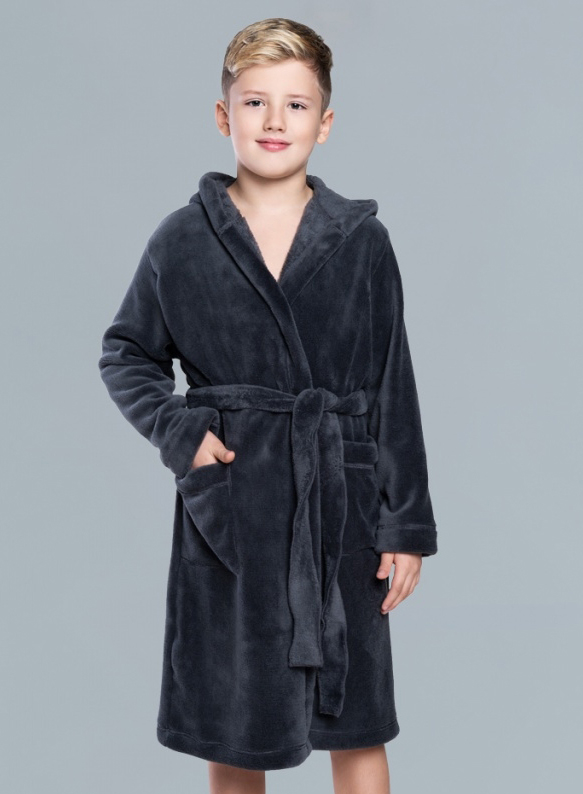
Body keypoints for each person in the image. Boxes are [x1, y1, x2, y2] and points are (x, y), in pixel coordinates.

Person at [98, 17, 438, 794]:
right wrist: (181, 433)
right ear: (224, 116)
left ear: (325, 122)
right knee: (236, 721)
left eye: (295, 104)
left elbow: (392, 383)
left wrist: (404, 525)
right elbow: (126, 351)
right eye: (255, 102)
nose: (274, 121)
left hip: (340, 504)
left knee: (356, 721)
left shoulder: (361, 241)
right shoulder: (182, 240)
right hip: (233, 501)